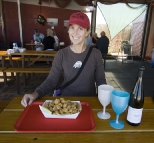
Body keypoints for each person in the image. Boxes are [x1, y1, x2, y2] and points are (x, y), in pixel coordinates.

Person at [21, 12, 106, 107]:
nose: (75, 33)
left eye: (80, 29)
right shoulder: (61, 54)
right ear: (68, 31)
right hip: (67, 103)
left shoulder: (96, 54)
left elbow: (101, 81)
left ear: (87, 32)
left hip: (89, 103)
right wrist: (35, 93)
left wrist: (103, 103)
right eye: (72, 28)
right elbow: (52, 80)